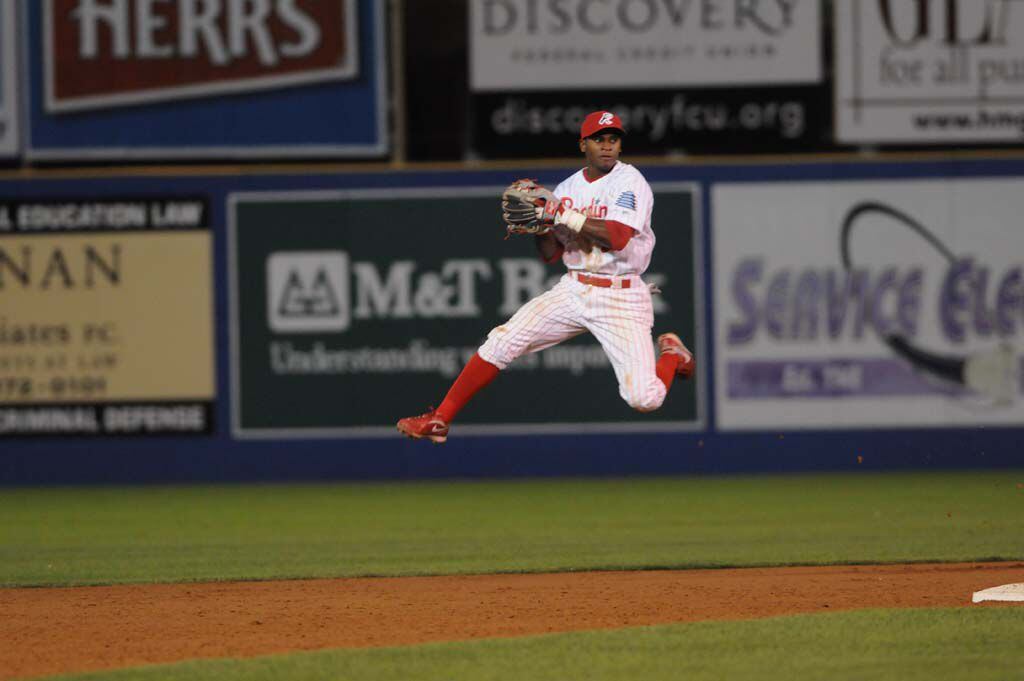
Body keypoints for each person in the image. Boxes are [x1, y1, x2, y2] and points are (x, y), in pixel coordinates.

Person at [397, 110, 694, 443]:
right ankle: (440, 419)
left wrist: (562, 214)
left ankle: (672, 356)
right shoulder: (567, 188)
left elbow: (618, 237)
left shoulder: (629, 181)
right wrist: (541, 225)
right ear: (584, 145)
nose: (608, 146)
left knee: (644, 399)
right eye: (599, 140)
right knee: (502, 342)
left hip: (621, 294)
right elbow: (551, 254)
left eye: (613, 140)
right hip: (575, 287)